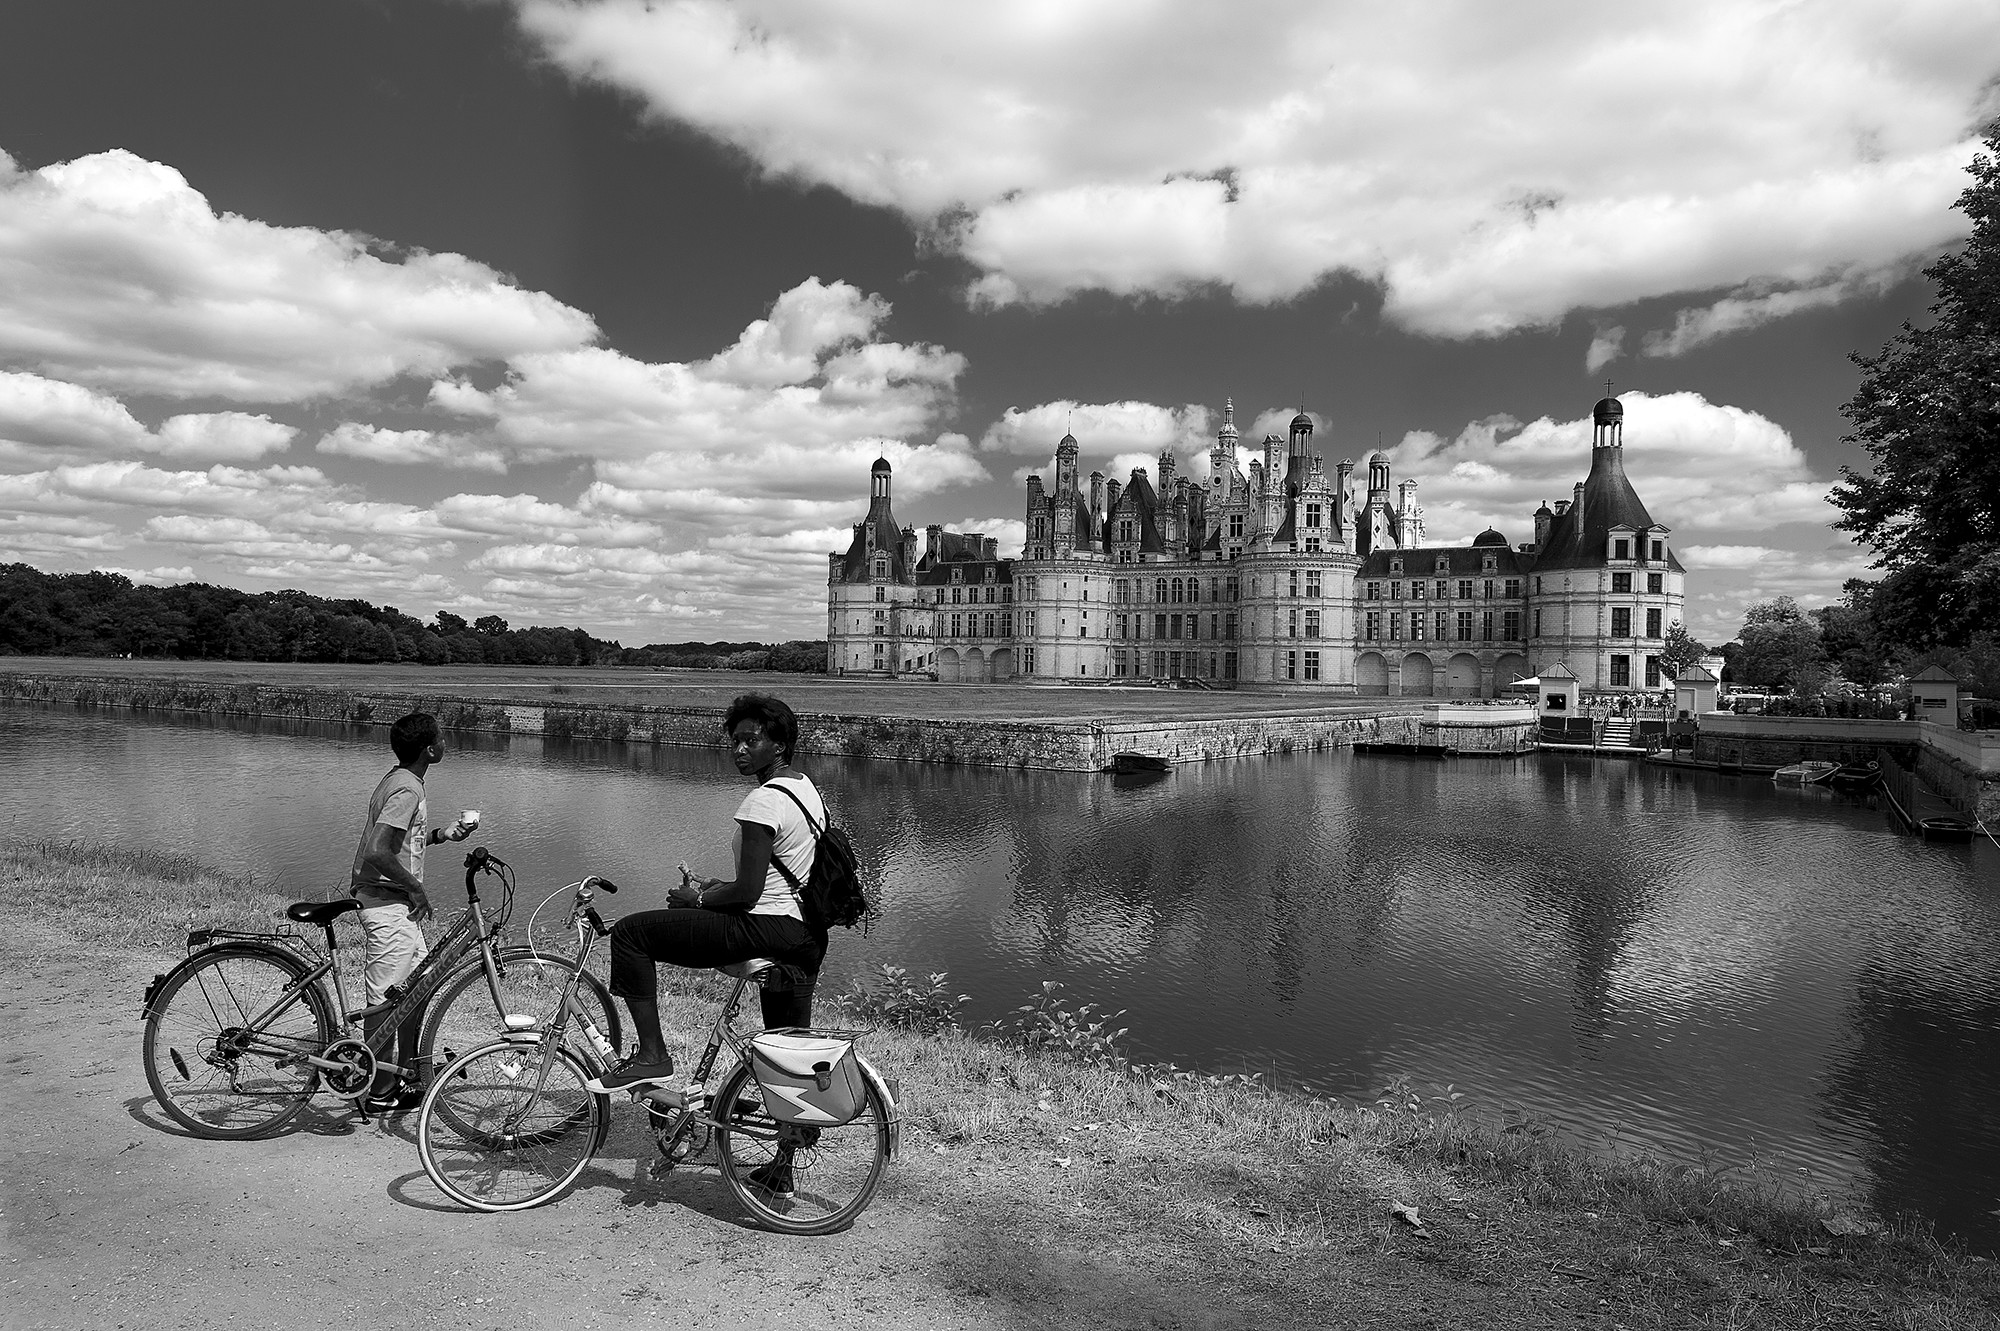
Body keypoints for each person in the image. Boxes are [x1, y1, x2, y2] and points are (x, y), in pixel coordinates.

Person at [589, 692, 828, 1096]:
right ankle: (789, 1146)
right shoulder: (804, 789)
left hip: (767, 926)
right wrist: (720, 888)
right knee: (787, 1052)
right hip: (805, 934)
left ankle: (651, 1058)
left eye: (751, 740)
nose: (739, 749)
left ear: (780, 744)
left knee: (632, 934)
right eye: (735, 740)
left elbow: (749, 893)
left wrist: (696, 900)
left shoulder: (764, 800)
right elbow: (777, 875)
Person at [348, 711, 473, 1113]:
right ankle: (379, 1091)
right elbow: (378, 850)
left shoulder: (401, 779)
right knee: (386, 1002)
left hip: (395, 906)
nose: (446, 742)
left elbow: (402, 842)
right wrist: (416, 889)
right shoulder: (407, 790)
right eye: (441, 738)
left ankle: (404, 1074)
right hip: (387, 906)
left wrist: (443, 835)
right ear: (429, 749)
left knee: (414, 991)